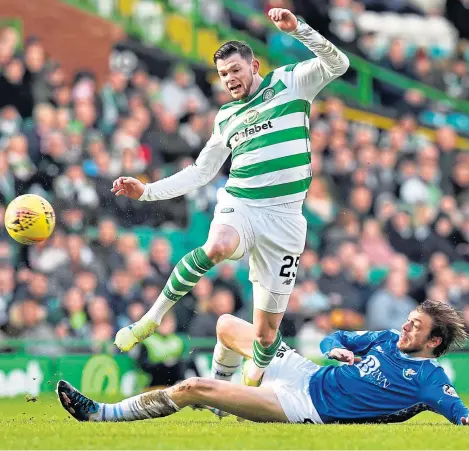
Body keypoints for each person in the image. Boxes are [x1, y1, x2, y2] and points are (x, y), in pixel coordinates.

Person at [110, 7, 350, 387]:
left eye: (236, 70)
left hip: (286, 218)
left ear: (254, 66)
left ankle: (234, 382)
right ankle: (150, 320)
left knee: (266, 336)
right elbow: (201, 172)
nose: (230, 79)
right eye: (223, 75)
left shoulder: (290, 82)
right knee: (218, 245)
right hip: (242, 202)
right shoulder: (225, 118)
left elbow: (338, 63)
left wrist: (299, 30)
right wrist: (147, 191)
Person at [57, 300, 469, 425]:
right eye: (408, 320)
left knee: (190, 388)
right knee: (226, 324)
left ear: (433, 341)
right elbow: (338, 336)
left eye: (415, 327)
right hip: (309, 374)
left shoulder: (428, 379)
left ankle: (100, 415)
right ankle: (223, 400)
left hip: (305, 407)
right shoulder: (383, 339)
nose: (404, 327)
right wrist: (332, 348)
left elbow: (457, 410)